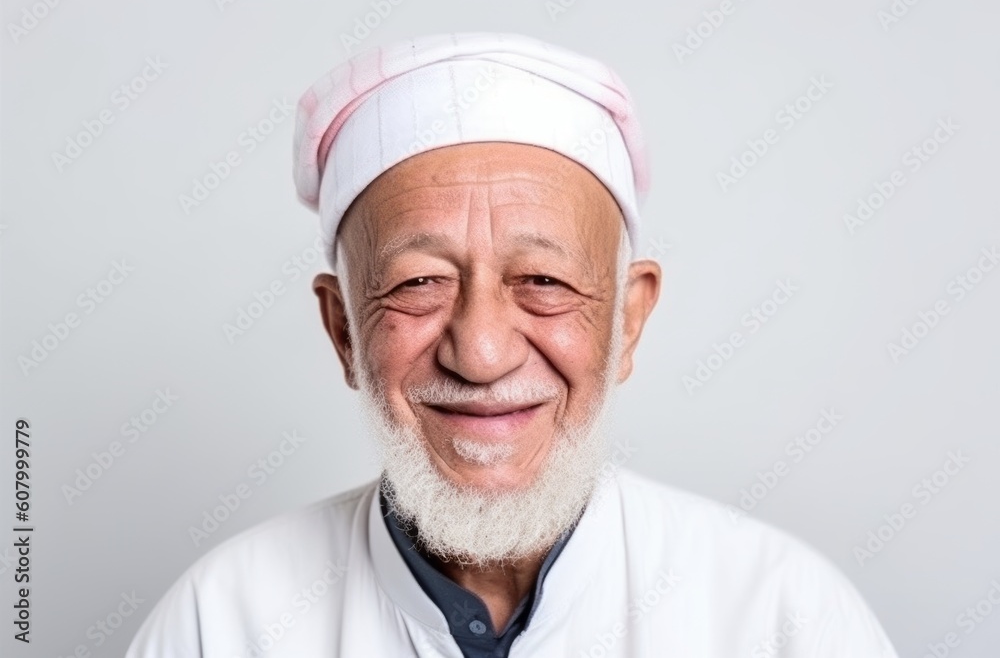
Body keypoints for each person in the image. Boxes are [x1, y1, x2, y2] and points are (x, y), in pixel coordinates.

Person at [126, 32, 898, 657]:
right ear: (343, 330)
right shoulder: (218, 626)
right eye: (419, 283)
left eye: (544, 281)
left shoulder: (785, 619)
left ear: (628, 320)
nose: (482, 353)